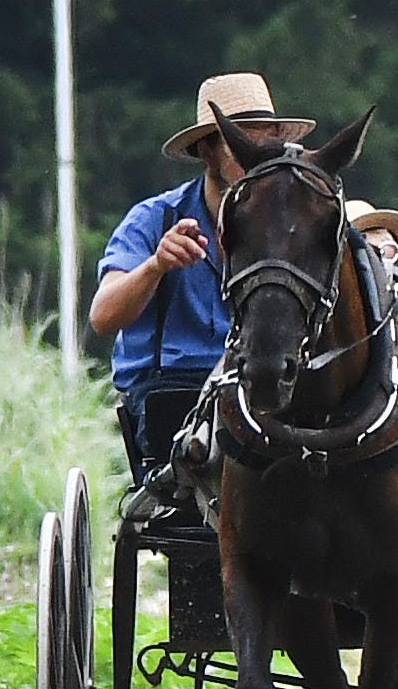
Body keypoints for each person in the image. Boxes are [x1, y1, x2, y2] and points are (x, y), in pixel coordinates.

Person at [87, 71, 309, 478]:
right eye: (241, 144)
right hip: (175, 389)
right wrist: (156, 265)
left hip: (267, 380)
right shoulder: (155, 219)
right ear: (206, 151)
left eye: (265, 144)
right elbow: (103, 317)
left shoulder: (296, 220)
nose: (256, 157)